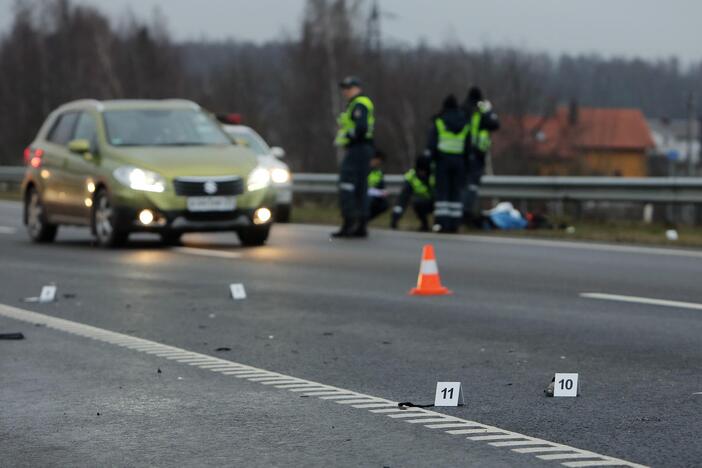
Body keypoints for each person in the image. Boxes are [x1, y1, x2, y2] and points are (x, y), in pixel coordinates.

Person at [332, 76, 375, 238]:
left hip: (357, 149)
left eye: (349, 88)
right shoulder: (357, 104)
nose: (345, 91)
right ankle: (361, 225)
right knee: (361, 187)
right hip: (363, 149)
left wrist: (350, 137)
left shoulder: (359, 104)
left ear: (357, 88)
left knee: (347, 185)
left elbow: (361, 128)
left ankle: (349, 223)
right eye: (344, 88)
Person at [425, 94, 469, 233]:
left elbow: (431, 144)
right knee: (456, 193)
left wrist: (429, 160)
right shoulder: (465, 122)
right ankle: (455, 223)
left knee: (442, 193)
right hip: (459, 162)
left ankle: (441, 223)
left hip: (442, 161)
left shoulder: (440, 121)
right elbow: (469, 146)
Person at [462, 86, 499, 226]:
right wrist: (489, 111)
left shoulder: (463, 108)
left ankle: (465, 212)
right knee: (471, 186)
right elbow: (495, 124)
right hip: (476, 153)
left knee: (464, 185)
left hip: (461, 154)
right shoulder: (480, 110)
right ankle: (466, 212)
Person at [390, 156, 435, 231]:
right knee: (417, 203)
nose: (422, 173)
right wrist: (395, 218)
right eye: (420, 170)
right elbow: (402, 199)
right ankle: (425, 225)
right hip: (422, 203)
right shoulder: (411, 177)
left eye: (424, 170)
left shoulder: (435, 175)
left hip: (436, 202)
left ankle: (441, 225)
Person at [367, 149, 389, 220]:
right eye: (379, 160)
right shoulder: (363, 169)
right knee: (369, 200)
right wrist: (378, 192)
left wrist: (383, 192)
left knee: (384, 204)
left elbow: (381, 187)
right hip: (362, 195)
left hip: (373, 196)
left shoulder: (378, 173)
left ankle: (365, 220)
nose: (379, 163)